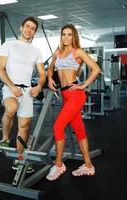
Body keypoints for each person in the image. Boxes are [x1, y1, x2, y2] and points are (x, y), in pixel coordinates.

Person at [46, 24, 101, 180]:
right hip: (65, 95)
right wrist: (50, 78)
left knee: (58, 126)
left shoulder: (78, 52)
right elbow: (50, 69)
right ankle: (88, 165)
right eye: (64, 34)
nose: (66, 37)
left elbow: (96, 68)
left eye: (70, 34)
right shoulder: (57, 52)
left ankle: (58, 165)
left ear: (74, 36)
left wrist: (83, 85)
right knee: (79, 129)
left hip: (76, 94)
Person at [0, 17, 46, 173]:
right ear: (21, 27)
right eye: (27, 26)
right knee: (11, 108)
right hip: (10, 87)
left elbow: (42, 74)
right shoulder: (8, 45)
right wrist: (11, 86)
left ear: (34, 32)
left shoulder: (36, 51)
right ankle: (4, 138)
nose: (29, 30)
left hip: (27, 92)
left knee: (24, 127)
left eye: (32, 29)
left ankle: (20, 159)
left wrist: (38, 86)